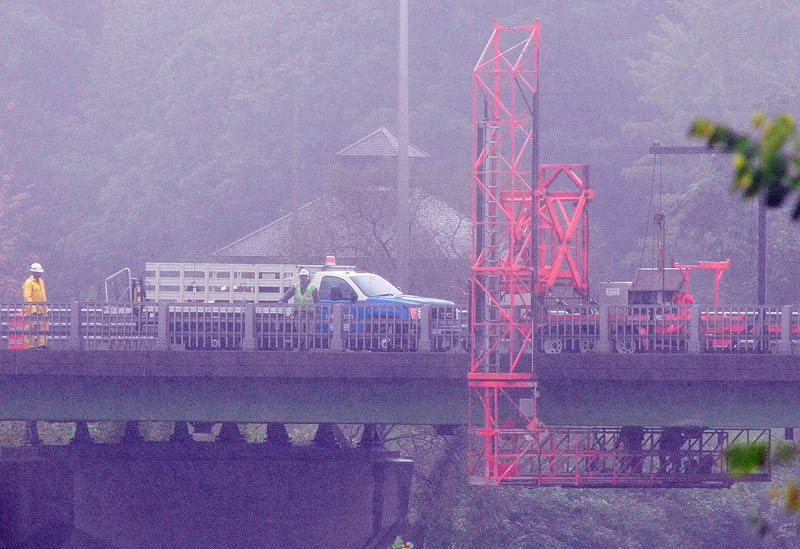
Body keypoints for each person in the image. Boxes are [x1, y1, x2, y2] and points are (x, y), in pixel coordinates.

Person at [22, 262, 47, 348]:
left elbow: (43, 295)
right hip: (31, 310)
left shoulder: (41, 282)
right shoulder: (28, 282)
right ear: (34, 272)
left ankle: (42, 344)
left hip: (41, 308)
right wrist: (33, 309)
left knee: (43, 326)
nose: (40, 273)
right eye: (39, 272)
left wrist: (45, 307)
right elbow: (27, 296)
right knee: (29, 326)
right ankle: (29, 345)